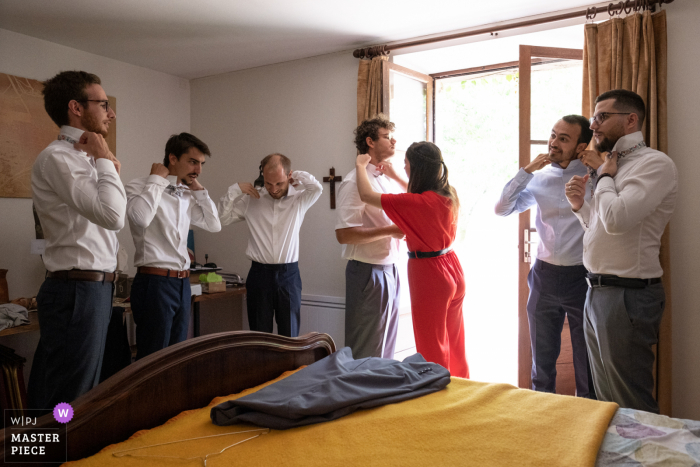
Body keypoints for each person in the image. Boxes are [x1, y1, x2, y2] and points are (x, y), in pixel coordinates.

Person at [565, 89, 678, 413]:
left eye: (601, 117)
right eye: (593, 117)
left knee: (630, 401)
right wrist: (579, 207)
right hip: (596, 292)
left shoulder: (654, 164)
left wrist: (604, 176)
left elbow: (615, 220)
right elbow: (600, 229)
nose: (594, 126)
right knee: (605, 401)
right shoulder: (610, 168)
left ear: (630, 120)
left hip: (628, 296)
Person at [28, 71, 125, 410]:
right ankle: (45, 459)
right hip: (76, 291)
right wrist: (104, 160)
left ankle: (46, 455)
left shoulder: (86, 158)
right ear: (76, 108)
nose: (110, 113)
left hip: (91, 289)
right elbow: (114, 216)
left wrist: (103, 161)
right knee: (70, 400)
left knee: (78, 395)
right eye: (103, 104)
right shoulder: (59, 158)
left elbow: (110, 223)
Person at [495, 115, 595, 397]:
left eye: (563, 138)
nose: (553, 143)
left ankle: (586, 420)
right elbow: (502, 208)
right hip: (544, 276)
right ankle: (542, 418)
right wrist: (525, 171)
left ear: (580, 146)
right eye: (553, 135)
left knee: (585, 359)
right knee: (542, 359)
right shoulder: (538, 179)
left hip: (582, 277)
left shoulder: (595, 179)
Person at [355, 141, 468, 377]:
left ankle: (436, 395)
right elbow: (419, 195)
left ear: (416, 168)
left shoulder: (415, 203)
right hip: (453, 267)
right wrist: (396, 175)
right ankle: (462, 390)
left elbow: (366, 194)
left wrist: (360, 165)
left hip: (430, 273)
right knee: (455, 341)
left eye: (405, 163)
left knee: (431, 344)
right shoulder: (447, 194)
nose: (403, 167)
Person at [125, 133, 221, 360]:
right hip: (154, 283)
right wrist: (156, 181)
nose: (198, 169)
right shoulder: (139, 186)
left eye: (201, 164)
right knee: (152, 357)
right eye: (193, 162)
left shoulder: (186, 194)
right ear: (173, 158)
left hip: (182, 284)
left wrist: (198, 189)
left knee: (177, 356)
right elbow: (139, 218)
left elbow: (213, 224)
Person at [218, 154, 322, 337]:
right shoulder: (252, 199)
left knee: (289, 337)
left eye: (279, 183)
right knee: (259, 336)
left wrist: (297, 176)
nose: (273, 189)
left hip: (289, 276)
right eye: (268, 183)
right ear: (262, 178)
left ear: (288, 176)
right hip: (259, 276)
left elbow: (317, 188)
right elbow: (221, 219)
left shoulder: (299, 200)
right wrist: (235, 190)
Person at [335, 114, 406, 359]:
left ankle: (382, 395)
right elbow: (344, 235)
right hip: (366, 272)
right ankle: (359, 396)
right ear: (370, 142)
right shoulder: (353, 181)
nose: (393, 142)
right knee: (365, 348)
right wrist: (389, 231)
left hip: (391, 267)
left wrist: (396, 175)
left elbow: (416, 200)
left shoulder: (386, 179)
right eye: (387, 137)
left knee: (386, 346)